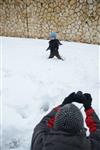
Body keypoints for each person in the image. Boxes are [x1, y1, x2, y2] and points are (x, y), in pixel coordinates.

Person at [30, 92, 100, 150]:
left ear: (55, 123)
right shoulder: (90, 146)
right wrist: (88, 108)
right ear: (80, 126)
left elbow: (44, 123)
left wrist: (63, 105)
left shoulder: (41, 143)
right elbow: (97, 131)